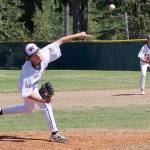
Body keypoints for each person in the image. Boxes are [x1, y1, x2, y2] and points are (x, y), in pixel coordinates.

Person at [0, 32, 89, 143]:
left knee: (28, 109)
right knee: (46, 104)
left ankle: (0, 111)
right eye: (35, 55)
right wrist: (43, 99)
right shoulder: (27, 72)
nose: (39, 55)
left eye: (38, 52)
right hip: (27, 87)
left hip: (33, 85)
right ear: (29, 59)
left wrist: (78, 35)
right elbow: (26, 93)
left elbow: (60, 41)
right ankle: (54, 134)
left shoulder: (44, 53)